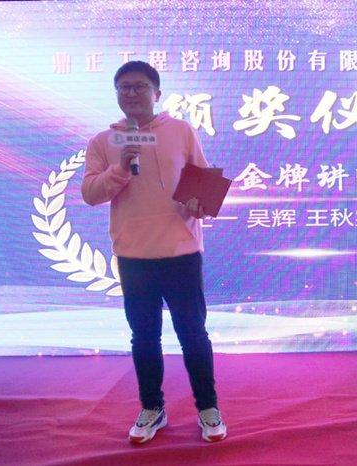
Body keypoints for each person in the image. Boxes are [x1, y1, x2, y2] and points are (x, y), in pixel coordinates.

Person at [81, 61, 226, 444]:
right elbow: (90, 194)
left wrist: (200, 205)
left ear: (157, 93)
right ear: (116, 94)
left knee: (193, 334)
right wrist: (119, 168)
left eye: (140, 86)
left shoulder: (181, 130)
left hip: (182, 251)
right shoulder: (103, 141)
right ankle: (152, 409)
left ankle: (208, 408)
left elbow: (202, 180)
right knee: (144, 337)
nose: (132, 93)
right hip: (134, 256)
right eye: (124, 87)